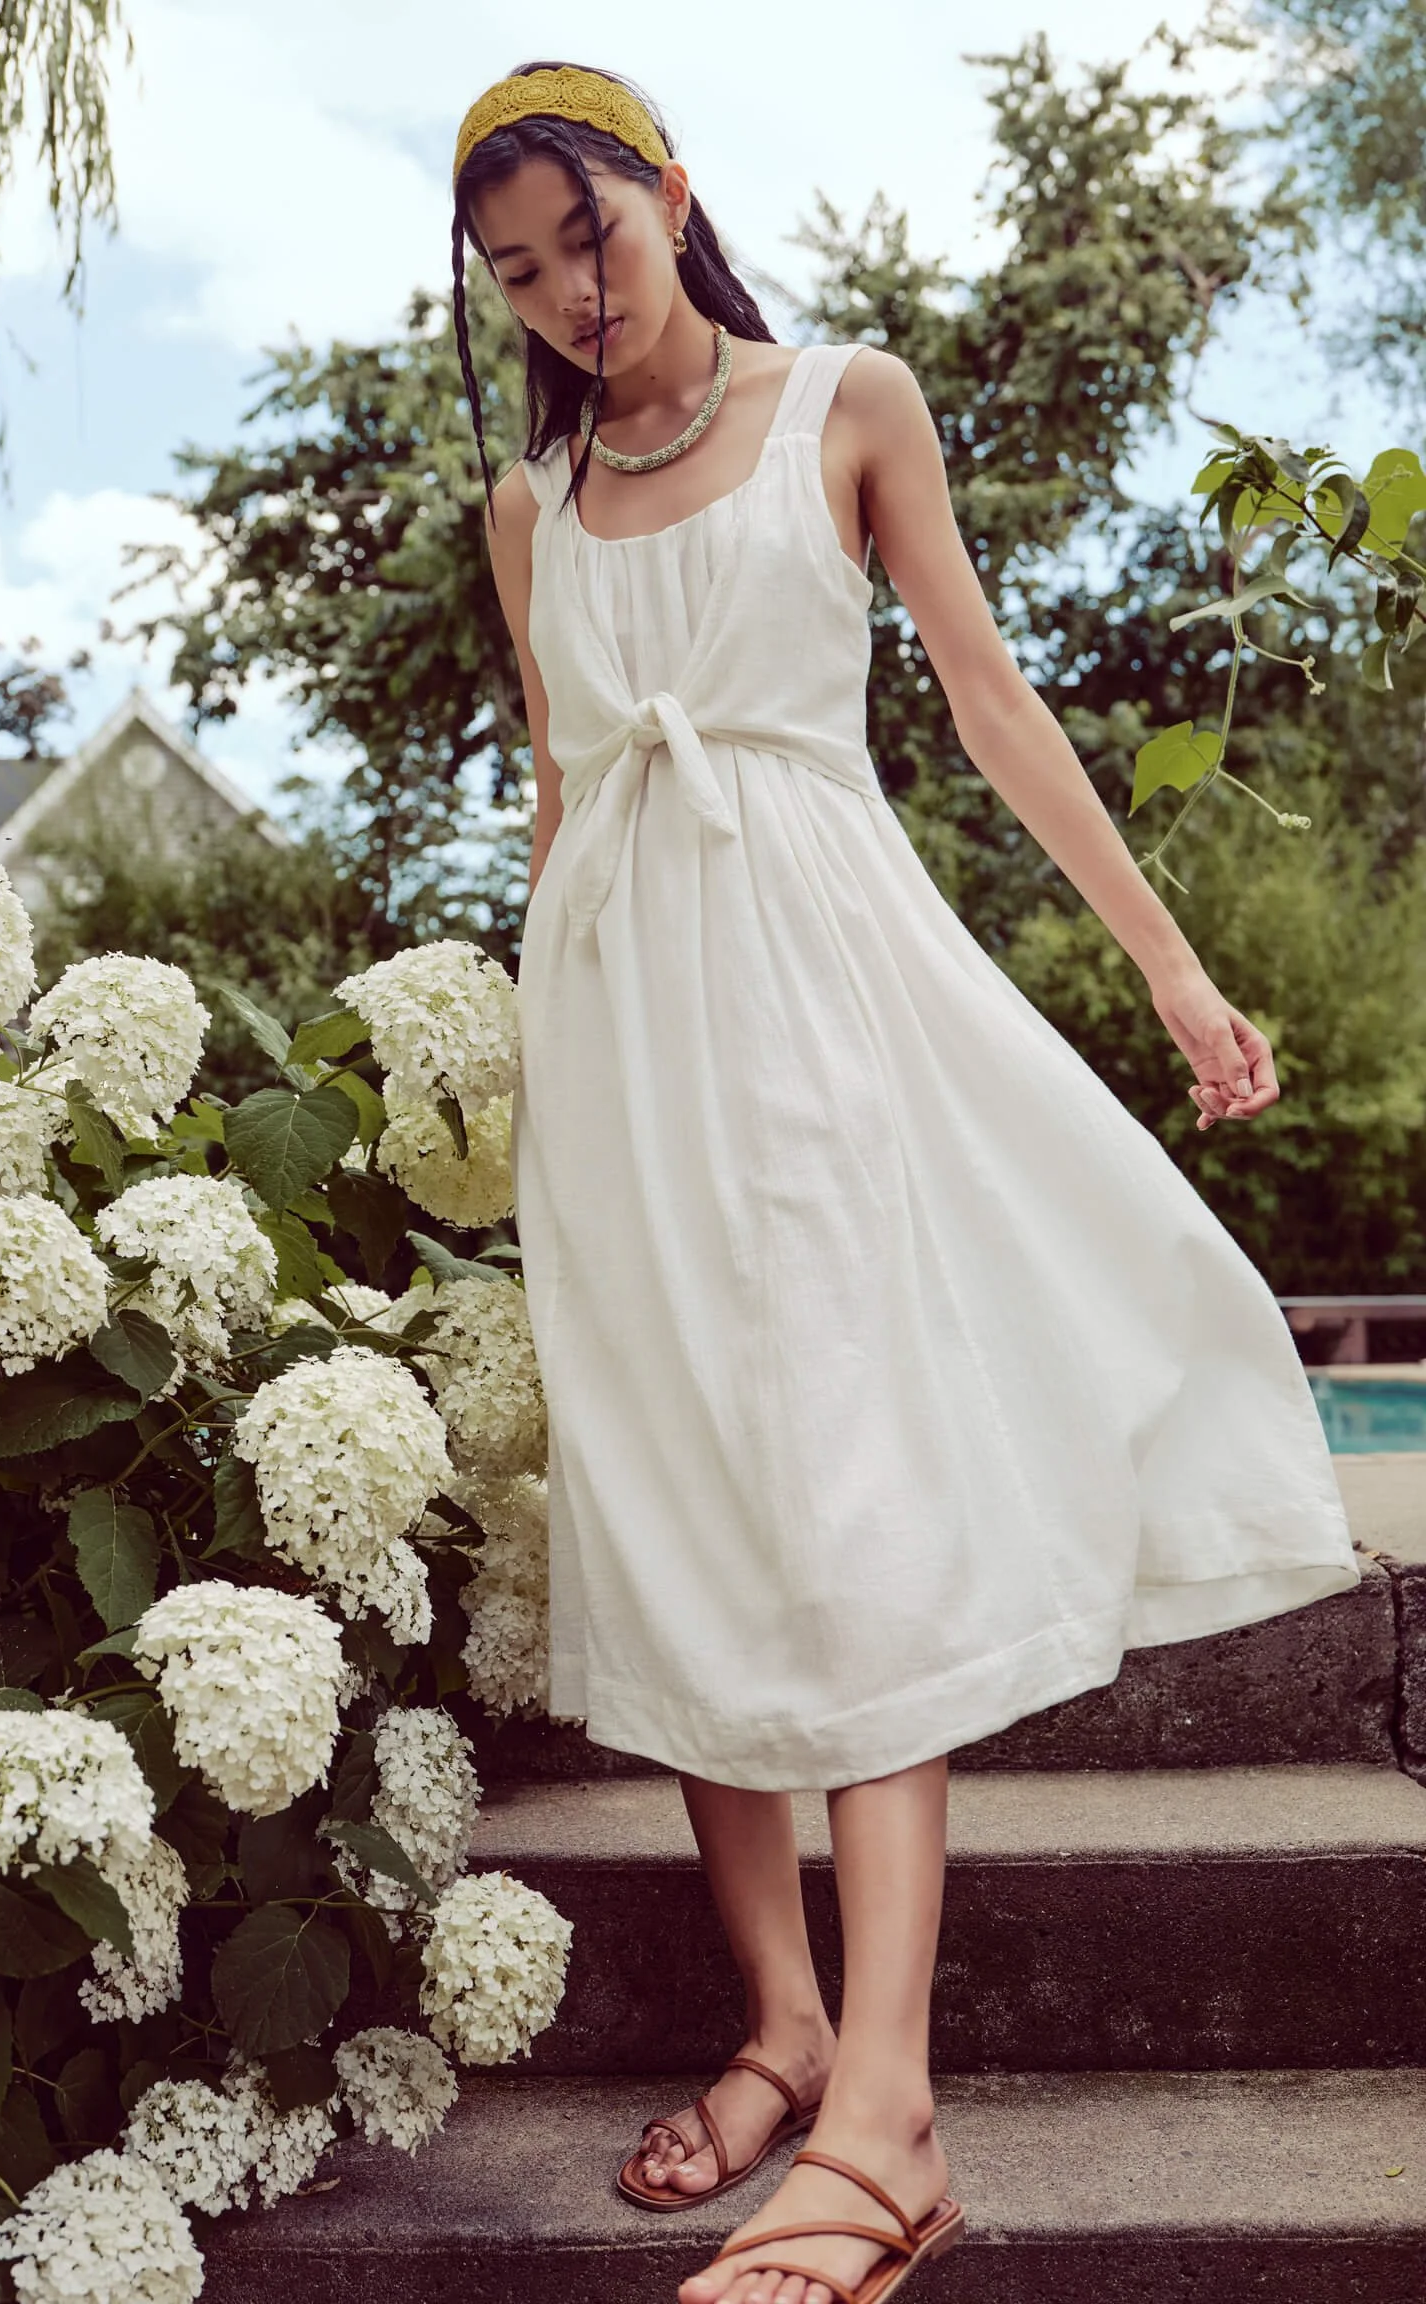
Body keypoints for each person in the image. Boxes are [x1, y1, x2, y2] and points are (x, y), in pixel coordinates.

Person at [454, 58, 1361, 2304]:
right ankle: (776, 2029)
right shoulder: (524, 508)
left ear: (673, 195)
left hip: (820, 1027)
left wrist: (1169, 975)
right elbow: (566, 813)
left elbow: (986, 698)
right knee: (687, 1514)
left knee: (848, 1512)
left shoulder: (849, 404)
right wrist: (518, 1115)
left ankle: (887, 2112)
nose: (571, 295)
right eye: (519, 275)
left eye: (594, 236)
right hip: (622, 1057)